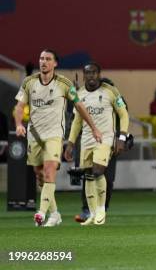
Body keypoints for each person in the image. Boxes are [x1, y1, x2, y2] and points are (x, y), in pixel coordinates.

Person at [13, 49, 102, 227]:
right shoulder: (29, 82)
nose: (43, 62)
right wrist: (18, 124)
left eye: (47, 59)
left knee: (49, 170)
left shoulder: (64, 83)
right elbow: (19, 106)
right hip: (34, 135)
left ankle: (41, 213)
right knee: (40, 176)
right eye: (41, 58)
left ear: (55, 64)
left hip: (54, 134)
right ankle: (55, 214)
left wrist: (93, 128)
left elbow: (80, 106)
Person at [64, 62, 129, 225]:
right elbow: (77, 121)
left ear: (99, 75)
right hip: (86, 139)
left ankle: (102, 209)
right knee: (88, 175)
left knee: (102, 173)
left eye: (94, 73)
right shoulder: (80, 94)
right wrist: (70, 143)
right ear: (84, 75)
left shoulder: (112, 92)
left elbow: (124, 115)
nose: (91, 76)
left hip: (108, 139)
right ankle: (89, 212)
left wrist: (122, 138)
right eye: (88, 73)